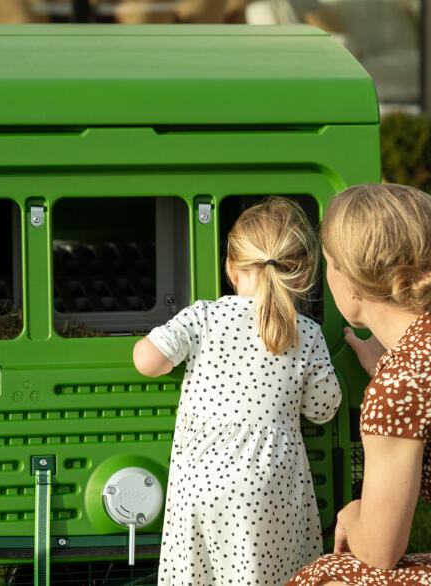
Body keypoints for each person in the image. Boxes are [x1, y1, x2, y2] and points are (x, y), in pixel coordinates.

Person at [133, 196, 342, 586]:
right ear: (303, 273)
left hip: (203, 483)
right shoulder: (307, 333)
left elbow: (148, 361)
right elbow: (323, 409)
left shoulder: (204, 316)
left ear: (231, 267)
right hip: (271, 487)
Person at [286, 183, 431, 586]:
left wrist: (351, 513)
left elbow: (382, 552)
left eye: (329, 262)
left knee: (327, 576)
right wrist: (387, 365)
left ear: (351, 284)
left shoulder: (400, 385)